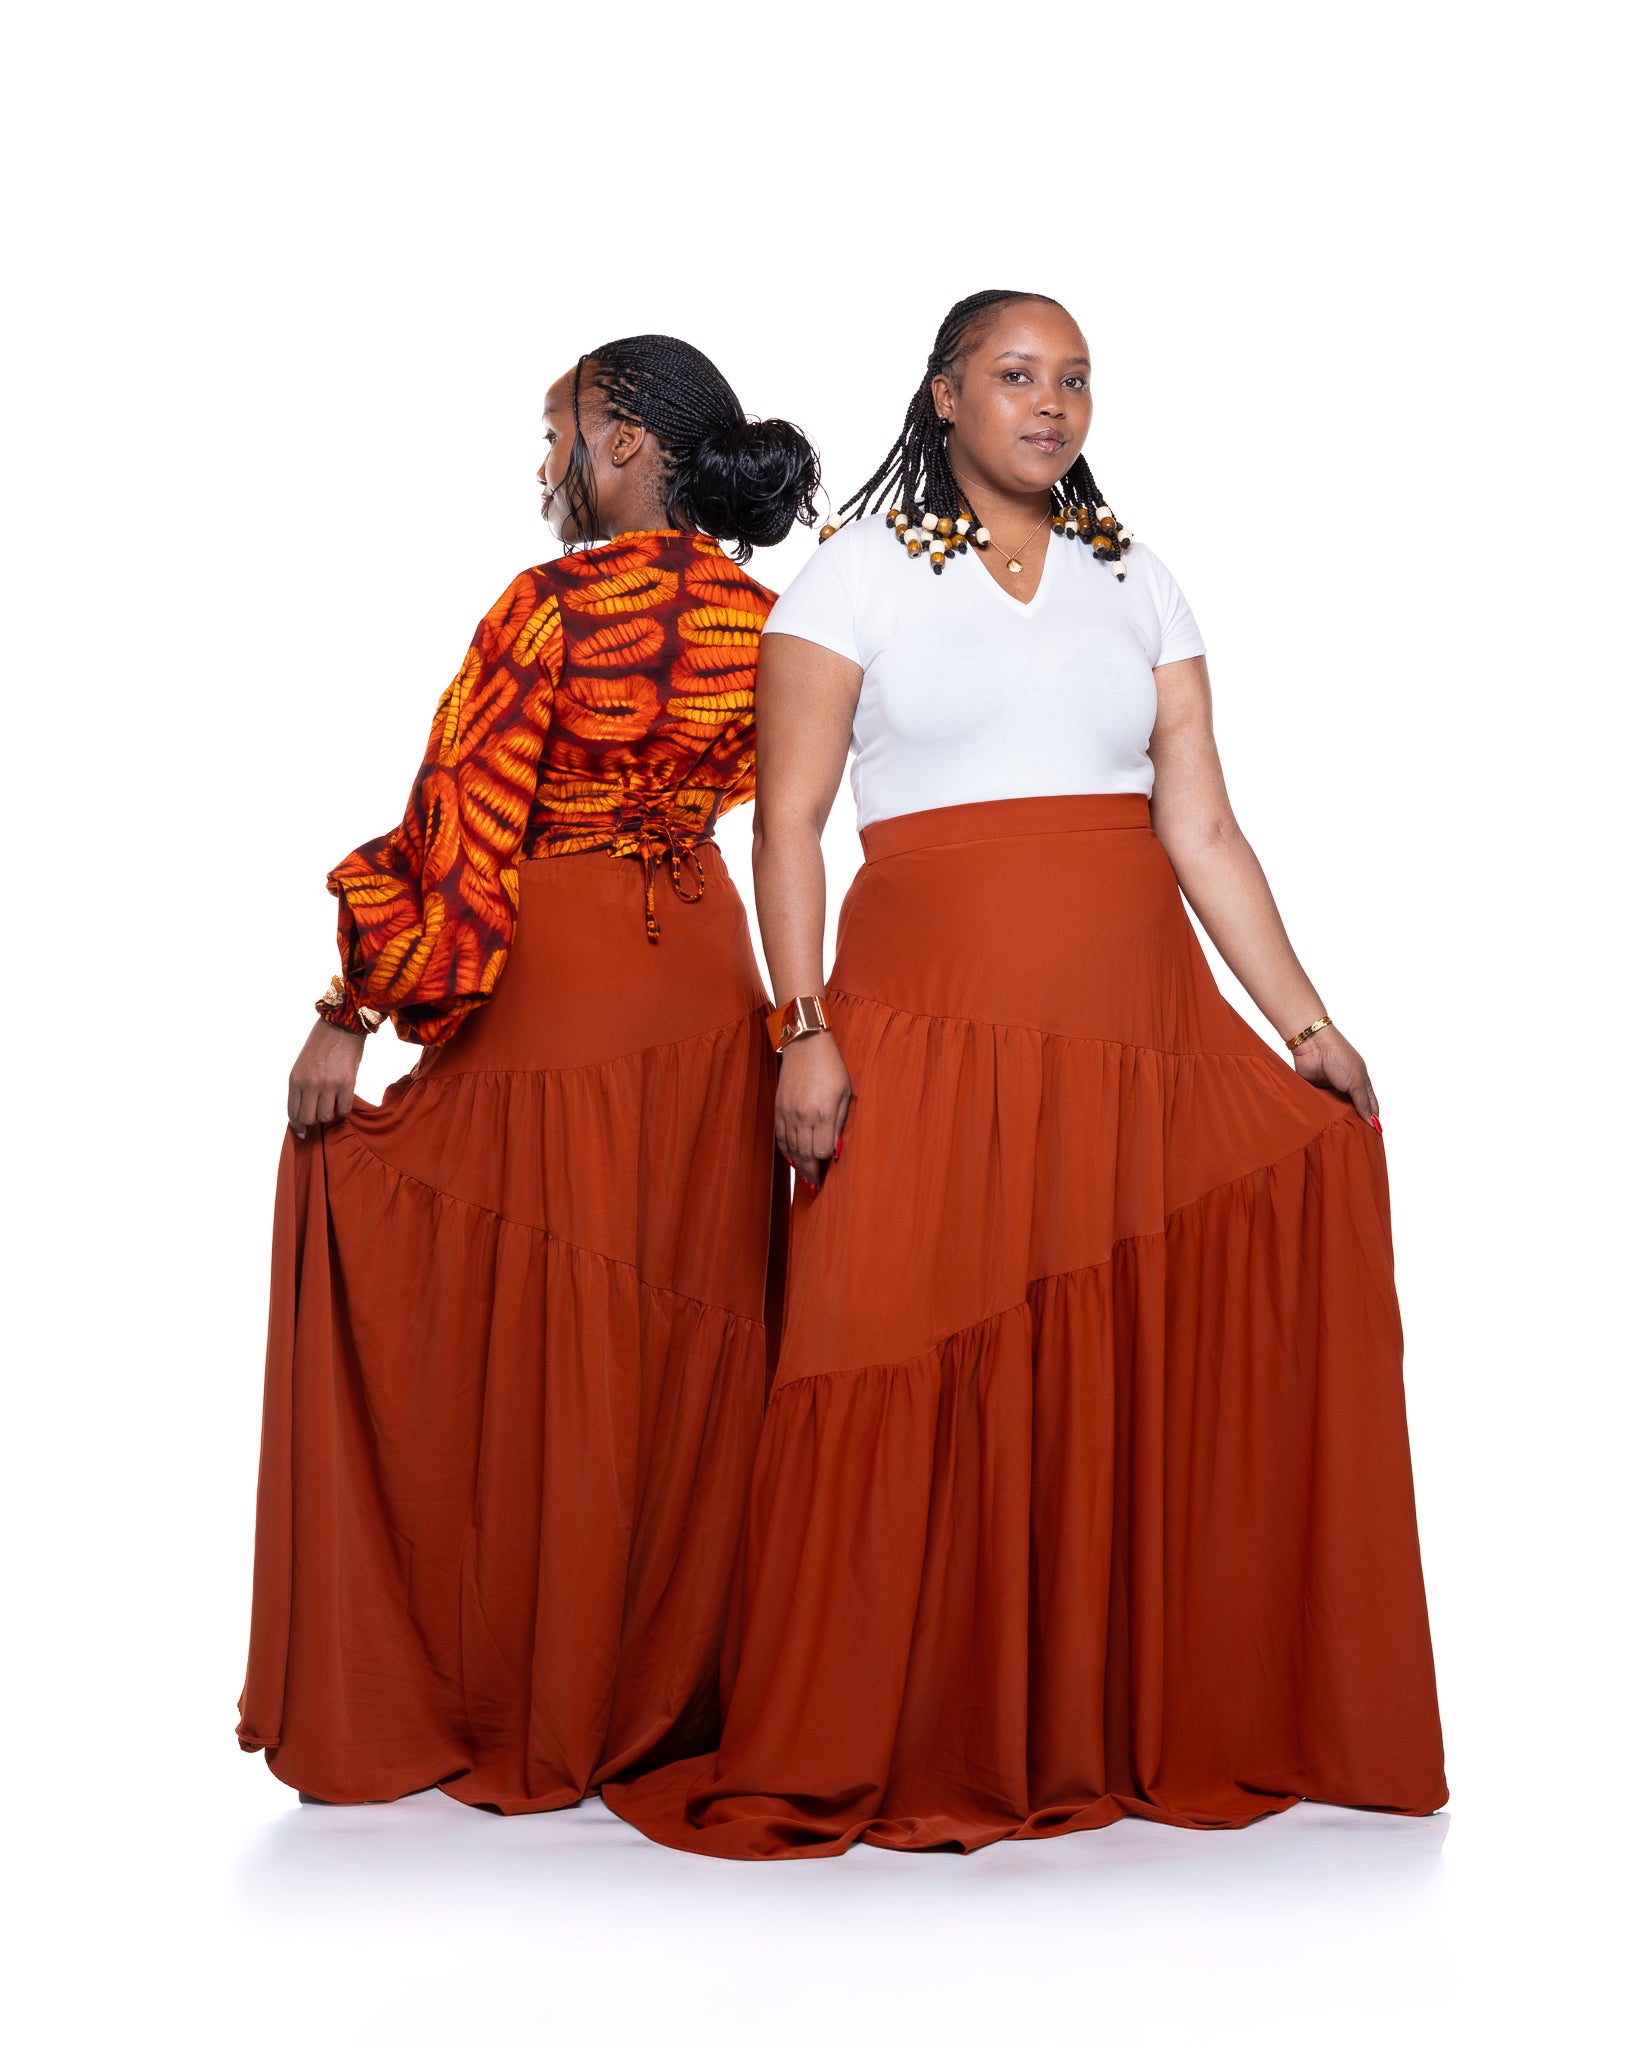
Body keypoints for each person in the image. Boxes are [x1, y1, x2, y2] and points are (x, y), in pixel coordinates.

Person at [603, 289, 1447, 1858]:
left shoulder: (1137, 577)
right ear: (943, 396)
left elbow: (1201, 826)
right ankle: (893, 1724)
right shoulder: (853, 576)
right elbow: (787, 825)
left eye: (1072, 380)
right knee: (886, 1342)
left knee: (1132, 1336)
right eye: (1013, 376)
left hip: (1136, 1034)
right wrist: (802, 1025)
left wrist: (1304, 1025)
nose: (1049, 404)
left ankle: (1118, 1719)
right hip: (925, 1032)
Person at [238, 337, 819, 1812]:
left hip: (556, 984)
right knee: (679, 1335)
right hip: (707, 984)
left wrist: (348, 1005)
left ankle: (525, 1686)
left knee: (533, 1323)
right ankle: (661, 1687)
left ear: (623, 443)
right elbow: (795, 828)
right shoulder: (773, 621)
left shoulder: (549, 607)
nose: (544, 464)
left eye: (555, 432)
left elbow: (463, 820)